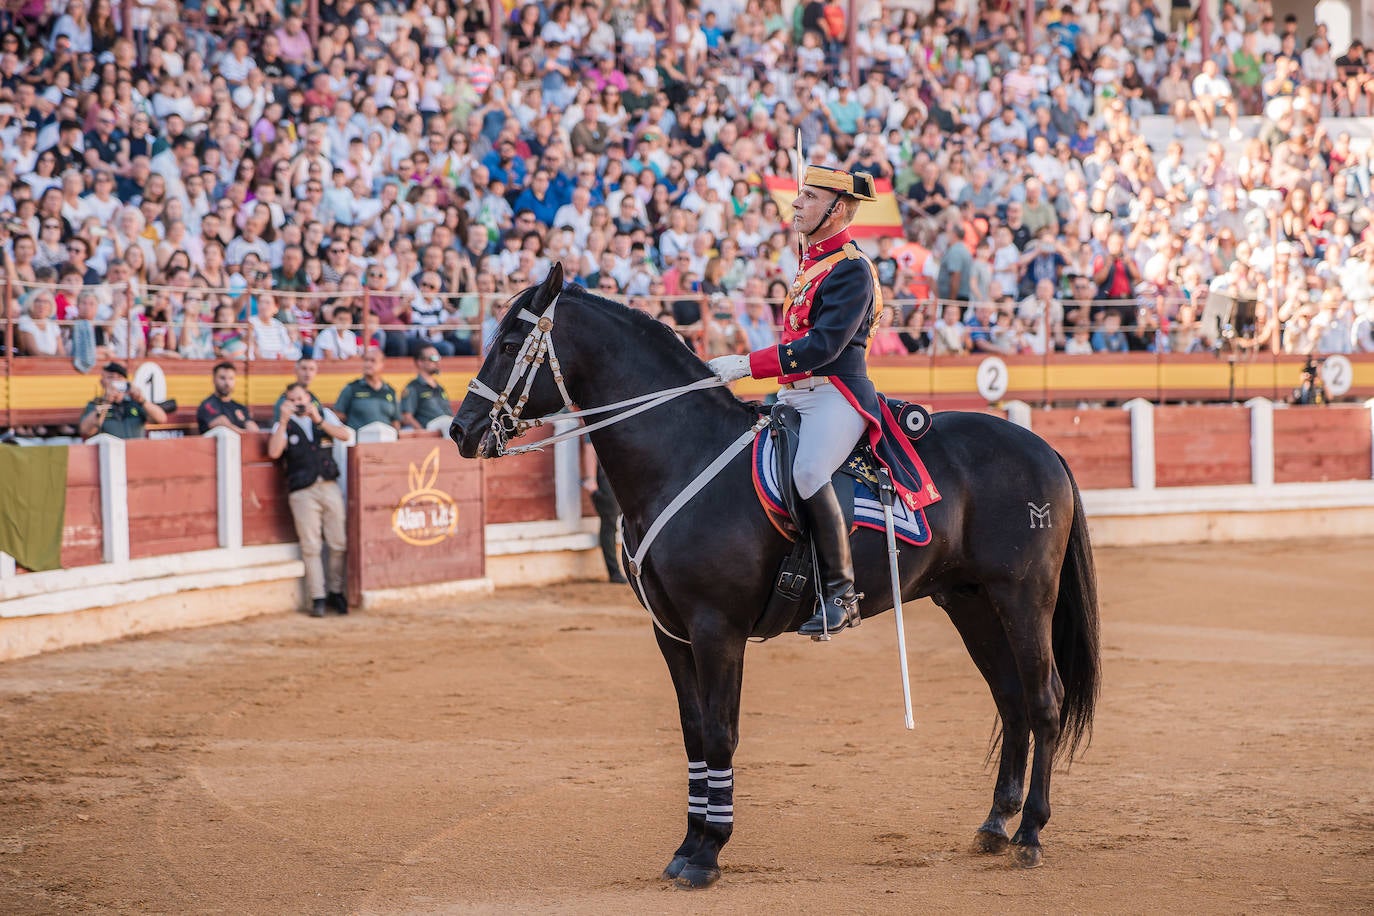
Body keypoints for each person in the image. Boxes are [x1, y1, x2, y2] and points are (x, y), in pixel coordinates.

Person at [706, 166, 881, 638]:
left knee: (807, 471)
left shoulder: (851, 269)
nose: (796, 204)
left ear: (837, 209)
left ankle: (842, 594)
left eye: (808, 197)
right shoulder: (814, 261)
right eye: (799, 195)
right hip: (792, 394)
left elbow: (822, 347)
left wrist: (747, 364)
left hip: (834, 395)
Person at [267, 382, 354, 618]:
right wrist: (284, 421)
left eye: (301, 399)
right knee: (311, 546)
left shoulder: (324, 415)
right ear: (286, 403)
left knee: (339, 542)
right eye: (292, 400)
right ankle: (317, 597)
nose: (298, 403)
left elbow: (346, 435)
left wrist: (319, 420)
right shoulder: (281, 424)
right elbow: (274, 452)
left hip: (328, 485)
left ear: (309, 399)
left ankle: (336, 591)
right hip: (302, 491)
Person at [78, 362, 167, 439]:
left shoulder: (135, 403)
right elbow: (86, 431)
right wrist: (106, 402)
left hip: (135, 453)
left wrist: (142, 400)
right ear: (102, 382)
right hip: (110, 454)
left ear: (126, 381)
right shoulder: (96, 405)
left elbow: (161, 419)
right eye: (110, 377)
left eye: (119, 377)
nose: (115, 381)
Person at [582, 442, 627, 583]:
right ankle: (614, 572)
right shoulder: (594, 419)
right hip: (606, 478)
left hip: (618, 476)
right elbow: (590, 446)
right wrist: (590, 479)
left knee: (620, 522)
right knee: (610, 522)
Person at [336, 346, 401, 431]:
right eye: (366, 360)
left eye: (373, 361)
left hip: (386, 440)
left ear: (382, 364)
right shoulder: (351, 388)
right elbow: (338, 415)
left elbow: (395, 421)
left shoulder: (390, 391)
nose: (368, 364)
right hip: (359, 441)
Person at [197, 362, 260, 434]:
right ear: (214, 379)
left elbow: (252, 428)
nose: (227, 383)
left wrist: (251, 430)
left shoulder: (240, 407)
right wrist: (244, 433)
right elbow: (221, 423)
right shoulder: (208, 405)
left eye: (231, 378)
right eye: (222, 378)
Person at [399, 344, 453, 430]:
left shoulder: (440, 387)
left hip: (446, 429)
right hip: (430, 431)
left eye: (438, 357)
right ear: (420, 362)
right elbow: (406, 417)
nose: (437, 362)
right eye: (433, 358)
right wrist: (424, 434)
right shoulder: (413, 387)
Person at [272, 356, 322, 422]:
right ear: (296, 371)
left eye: (311, 369)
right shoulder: (286, 397)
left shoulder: (313, 397)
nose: (308, 373)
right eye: (304, 369)